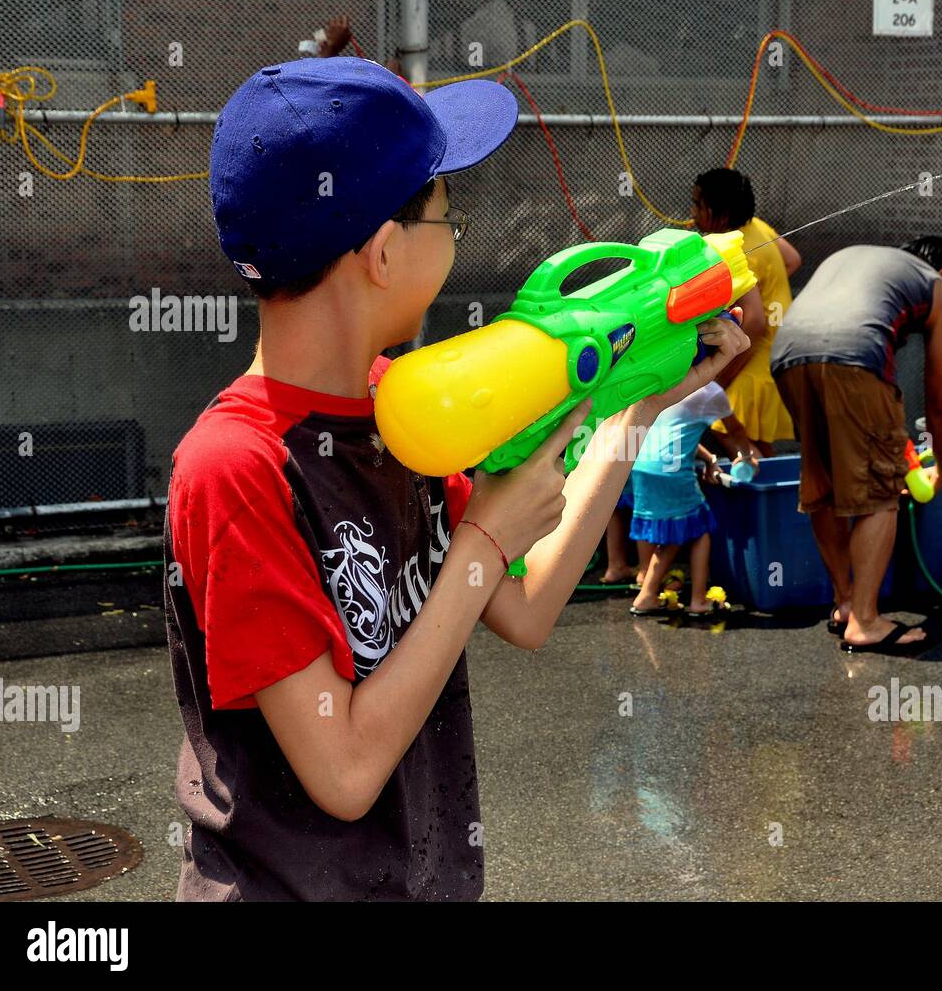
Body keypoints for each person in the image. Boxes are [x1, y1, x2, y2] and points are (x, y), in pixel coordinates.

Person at [164, 57, 748, 901]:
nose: (455, 234)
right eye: (449, 215)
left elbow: (528, 606)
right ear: (383, 252)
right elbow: (347, 769)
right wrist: (483, 541)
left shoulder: (402, 412)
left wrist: (636, 415)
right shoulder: (235, 468)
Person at [770, 236, 942, 653]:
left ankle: (845, 603)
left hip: (786, 355)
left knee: (824, 484)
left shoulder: (852, 255)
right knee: (880, 492)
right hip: (854, 354)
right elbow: (941, 398)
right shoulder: (937, 289)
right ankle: (866, 620)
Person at [690, 168, 799, 456]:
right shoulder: (757, 228)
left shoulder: (732, 251)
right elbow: (792, 260)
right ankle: (771, 496)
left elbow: (755, 323)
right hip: (782, 341)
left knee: (723, 425)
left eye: (699, 206)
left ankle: (759, 497)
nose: (693, 214)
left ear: (721, 215)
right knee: (758, 441)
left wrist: (722, 375)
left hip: (758, 352)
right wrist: (764, 290)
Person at [628, 380, 758, 616]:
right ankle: (696, 600)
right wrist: (746, 457)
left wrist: (709, 459)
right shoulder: (710, 391)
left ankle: (647, 586)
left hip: (641, 463)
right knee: (698, 528)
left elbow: (676, 429)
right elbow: (735, 430)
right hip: (669, 468)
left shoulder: (670, 377)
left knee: (669, 530)